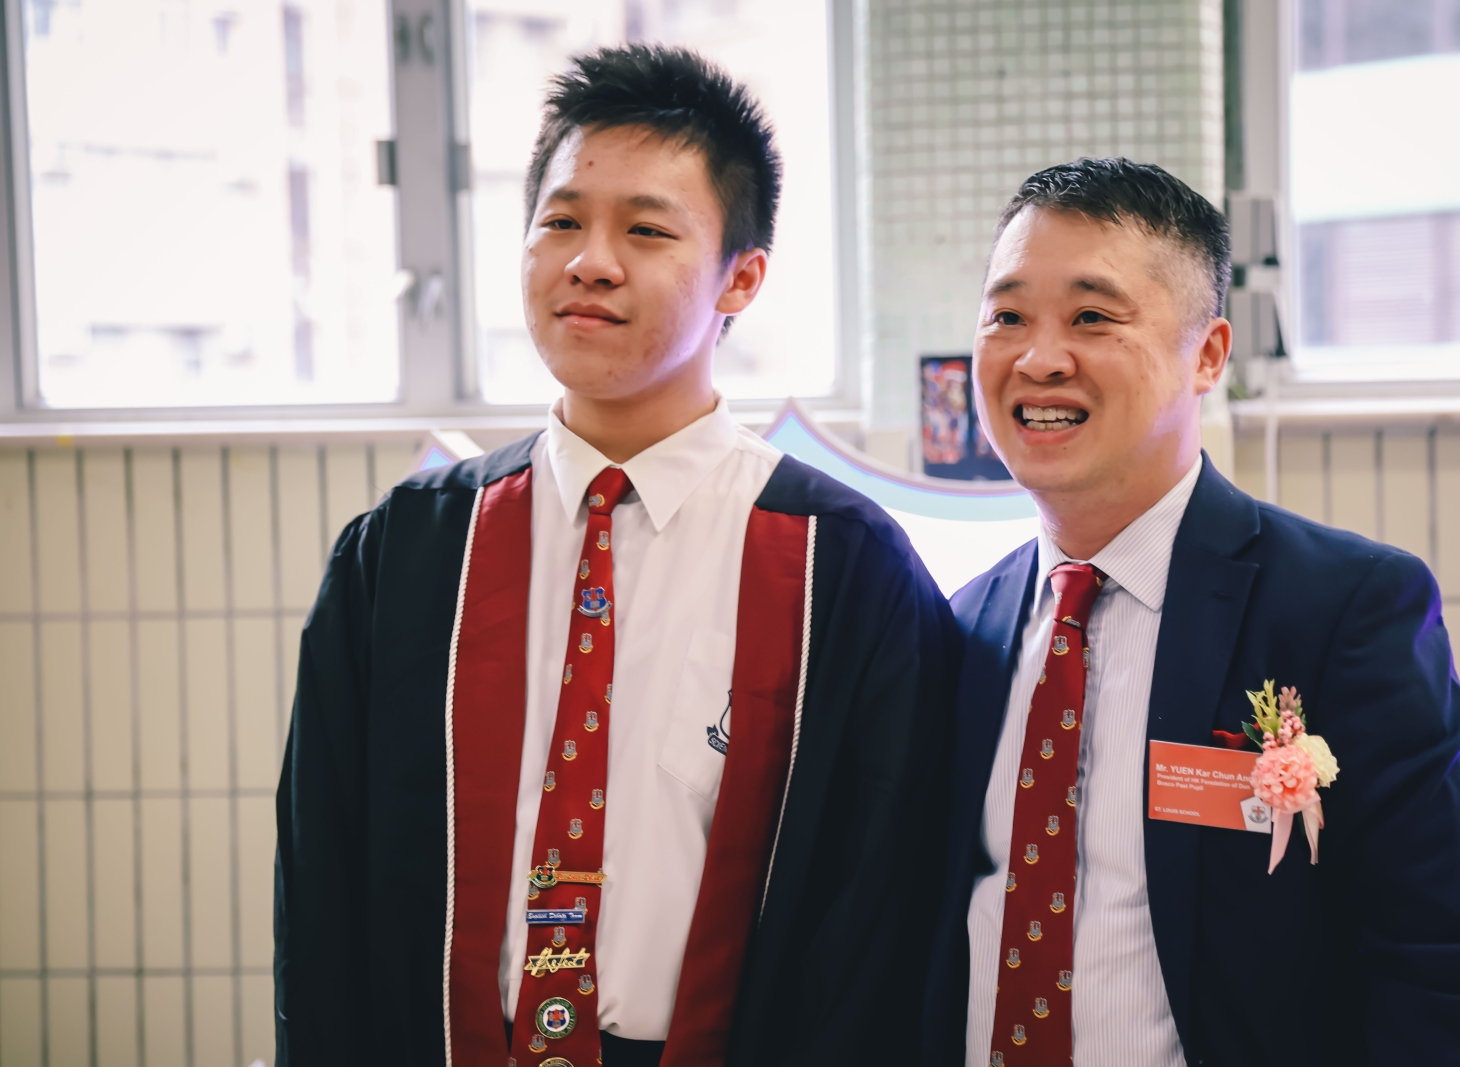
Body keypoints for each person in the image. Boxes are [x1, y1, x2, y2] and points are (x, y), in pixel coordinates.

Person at [275, 45, 958, 1067]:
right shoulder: (408, 553)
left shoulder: (841, 567)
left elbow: (881, 921)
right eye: (560, 222)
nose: (589, 261)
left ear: (742, 277)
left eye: (646, 229)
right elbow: (321, 882)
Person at [922, 158, 1460, 1066]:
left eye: (1092, 317)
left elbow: (1443, 963)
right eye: (1007, 317)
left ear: (1206, 355)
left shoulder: (1344, 608)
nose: (1039, 358)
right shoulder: (961, 625)